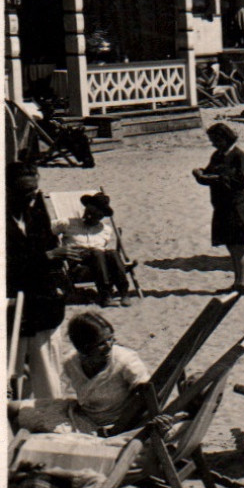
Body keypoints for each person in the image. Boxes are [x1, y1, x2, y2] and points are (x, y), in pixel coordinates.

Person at [10, 310, 148, 436]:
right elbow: (63, 389)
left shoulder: (125, 360)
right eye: (101, 343)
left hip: (113, 425)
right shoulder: (71, 362)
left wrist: (118, 428)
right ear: (83, 348)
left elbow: (146, 395)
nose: (109, 346)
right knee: (12, 408)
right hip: (81, 416)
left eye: (111, 339)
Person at [7, 163, 76, 397]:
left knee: (48, 375)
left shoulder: (36, 208)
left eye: (35, 190)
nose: (32, 196)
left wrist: (59, 258)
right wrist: (45, 256)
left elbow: (49, 244)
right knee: (11, 376)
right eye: (25, 192)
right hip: (11, 310)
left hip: (44, 307)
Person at [192, 121, 244, 292]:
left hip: (235, 207)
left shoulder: (239, 157)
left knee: (238, 245)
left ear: (225, 138)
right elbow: (209, 173)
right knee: (230, 245)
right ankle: (237, 282)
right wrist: (200, 173)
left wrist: (214, 178)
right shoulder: (217, 155)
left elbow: (242, 182)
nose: (213, 143)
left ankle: (242, 284)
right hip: (221, 207)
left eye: (215, 139)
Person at [55, 192, 128, 306]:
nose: (88, 216)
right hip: (78, 266)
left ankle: (124, 293)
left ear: (101, 216)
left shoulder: (105, 230)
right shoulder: (68, 223)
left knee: (112, 252)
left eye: (94, 214)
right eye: (88, 211)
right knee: (97, 252)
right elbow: (46, 231)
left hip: (99, 266)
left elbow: (105, 253)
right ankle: (105, 295)